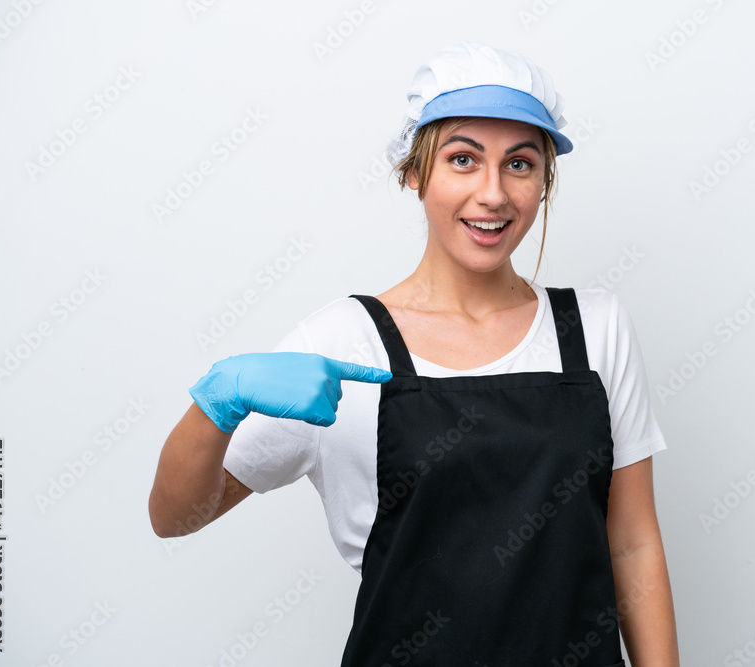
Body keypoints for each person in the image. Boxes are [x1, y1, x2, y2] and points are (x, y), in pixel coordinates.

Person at [149, 41, 680, 666]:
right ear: (414, 172)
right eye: (463, 159)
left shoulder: (595, 328)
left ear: (543, 181)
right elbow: (176, 517)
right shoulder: (342, 341)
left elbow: (632, 541)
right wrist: (219, 402)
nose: (493, 194)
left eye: (519, 164)